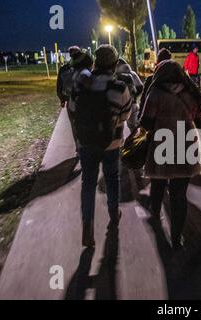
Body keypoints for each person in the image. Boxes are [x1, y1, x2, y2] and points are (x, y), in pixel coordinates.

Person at [140, 60, 201, 250]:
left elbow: (145, 123)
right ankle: (177, 237)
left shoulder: (155, 93)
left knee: (157, 183)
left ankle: (155, 215)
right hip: (186, 148)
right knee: (179, 195)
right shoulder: (190, 93)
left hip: (161, 146)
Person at [73, 45, 132, 247]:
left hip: (86, 142)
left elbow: (73, 108)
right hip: (112, 142)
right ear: (115, 64)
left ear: (96, 62)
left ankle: (87, 226)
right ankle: (114, 212)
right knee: (112, 178)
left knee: (88, 183)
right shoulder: (120, 87)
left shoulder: (81, 83)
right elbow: (126, 115)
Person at [56, 46, 83, 148]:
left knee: (74, 125)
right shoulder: (84, 68)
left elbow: (59, 85)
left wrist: (62, 100)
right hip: (84, 101)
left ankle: (78, 147)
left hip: (70, 101)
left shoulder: (64, 69)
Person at [140, 48, 172, 120]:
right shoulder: (175, 79)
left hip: (154, 120)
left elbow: (143, 101)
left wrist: (140, 118)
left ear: (158, 61)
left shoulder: (150, 79)